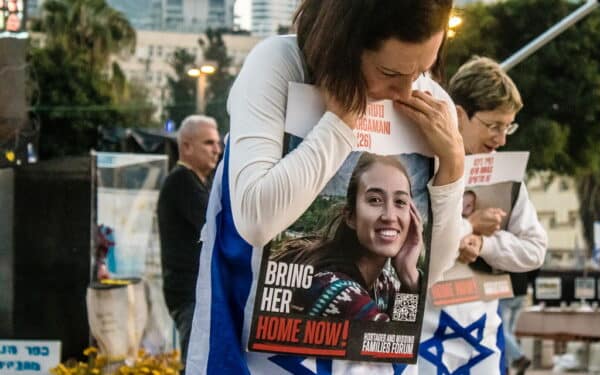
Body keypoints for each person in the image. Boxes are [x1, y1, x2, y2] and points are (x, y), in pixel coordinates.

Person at [187, 0, 465, 374]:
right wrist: (339, 124)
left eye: (422, 70)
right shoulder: (280, 64)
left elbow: (441, 265)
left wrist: (452, 166)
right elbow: (255, 220)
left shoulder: (429, 103)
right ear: (344, 43)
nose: (404, 90)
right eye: (388, 71)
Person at [419, 57, 547, 375]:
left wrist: (484, 244)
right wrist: (467, 227)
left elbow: (534, 250)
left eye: (508, 126)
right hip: (424, 333)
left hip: (484, 335)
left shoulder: (505, 173)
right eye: (493, 126)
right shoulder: (418, 161)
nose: (501, 139)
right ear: (460, 115)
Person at [273, 153, 422, 321]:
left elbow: (403, 333)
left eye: (400, 202)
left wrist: (409, 278)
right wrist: (410, 285)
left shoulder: (382, 284)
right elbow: (396, 344)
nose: (390, 216)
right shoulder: (339, 292)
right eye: (375, 200)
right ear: (351, 216)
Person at [157, 115, 221, 366]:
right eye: (208, 143)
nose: (217, 150)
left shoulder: (198, 182)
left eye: (217, 143)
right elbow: (215, 226)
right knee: (196, 361)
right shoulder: (181, 181)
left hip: (195, 290)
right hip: (189, 292)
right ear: (185, 146)